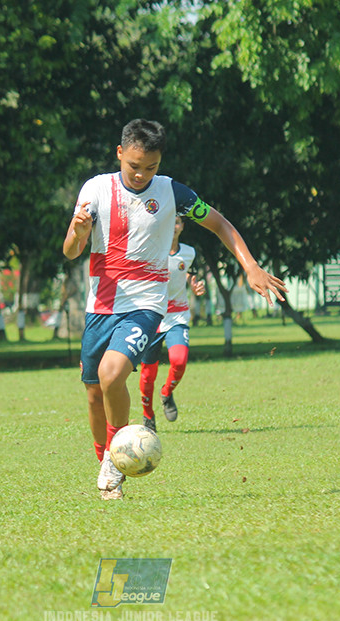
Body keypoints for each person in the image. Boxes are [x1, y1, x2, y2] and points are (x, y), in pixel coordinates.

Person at [63, 119, 287, 499]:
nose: (141, 174)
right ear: (120, 153)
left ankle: (114, 464)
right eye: (134, 165)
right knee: (93, 394)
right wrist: (79, 232)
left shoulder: (172, 192)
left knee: (111, 374)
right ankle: (107, 465)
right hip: (100, 305)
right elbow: (70, 250)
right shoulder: (96, 189)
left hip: (147, 305)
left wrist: (249, 265)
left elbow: (220, 224)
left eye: (150, 167)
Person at [138, 216, 204, 432]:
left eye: (178, 222)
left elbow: (189, 275)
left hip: (177, 316)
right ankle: (148, 416)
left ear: (182, 226)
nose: (174, 226)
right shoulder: (151, 249)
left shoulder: (189, 252)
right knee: (148, 374)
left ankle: (166, 392)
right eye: (171, 221)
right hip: (152, 317)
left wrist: (195, 285)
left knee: (179, 360)